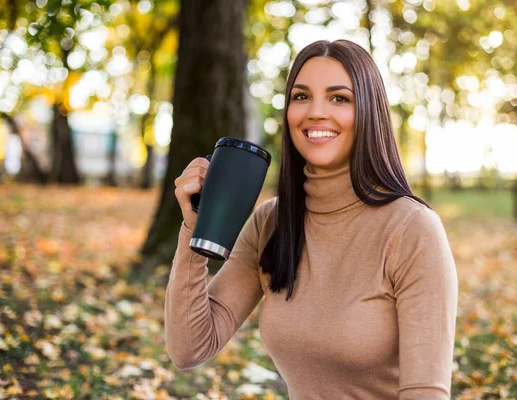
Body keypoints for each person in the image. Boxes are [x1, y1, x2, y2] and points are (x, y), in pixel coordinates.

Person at [165, 39, 458, 399]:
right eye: (301, 96)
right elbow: (190, 348)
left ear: (368, 111)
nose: (316, 112)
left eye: (339, 98)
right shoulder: (270, 223)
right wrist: (196, 229)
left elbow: (425, 393)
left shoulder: (412, 229)